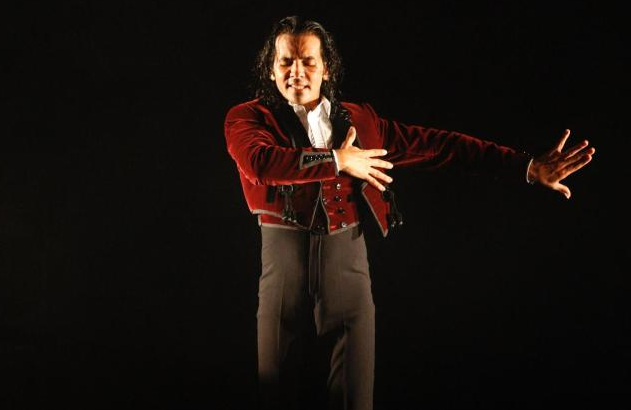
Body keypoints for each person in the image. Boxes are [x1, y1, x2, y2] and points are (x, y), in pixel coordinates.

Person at [223, 16, 595, 410]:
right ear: (271, 68)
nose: (296, 72)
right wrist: (337, 159)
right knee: (277, 393)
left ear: (326, 67)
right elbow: (260, 162)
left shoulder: (360, 119)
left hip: (347, 262)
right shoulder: (247, 118)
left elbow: (438, 146)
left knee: (355, 397)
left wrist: (526, 167)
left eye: (308, 61)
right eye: (285, 62)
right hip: (284, 263)